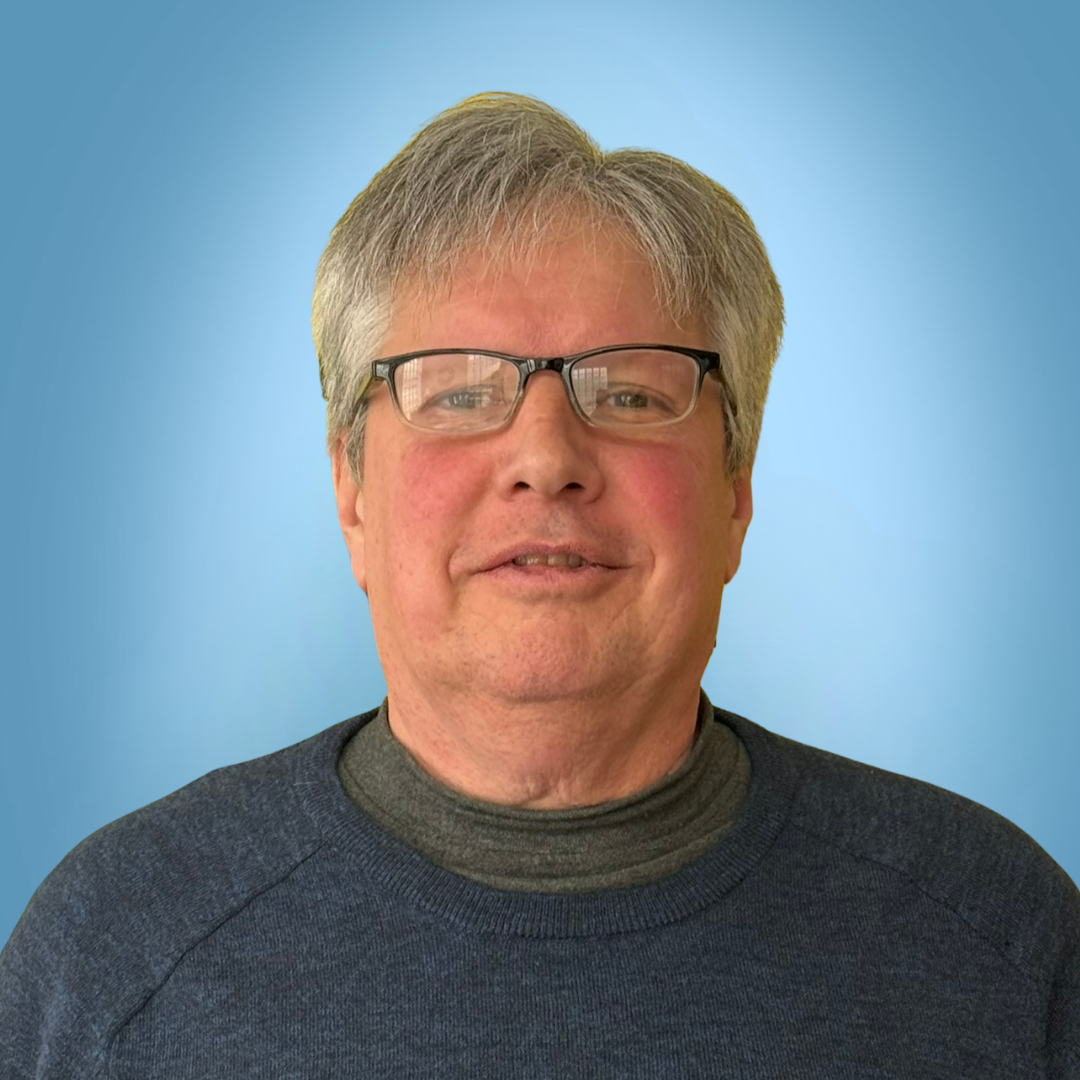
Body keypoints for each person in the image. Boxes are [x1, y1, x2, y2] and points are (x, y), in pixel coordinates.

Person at [1, 92, 1077, 1078]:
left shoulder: (1003, 944)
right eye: (460, 392)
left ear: (737, 489)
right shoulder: (113, 955)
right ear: (351, 492)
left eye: (634, 393)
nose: (546, 455)